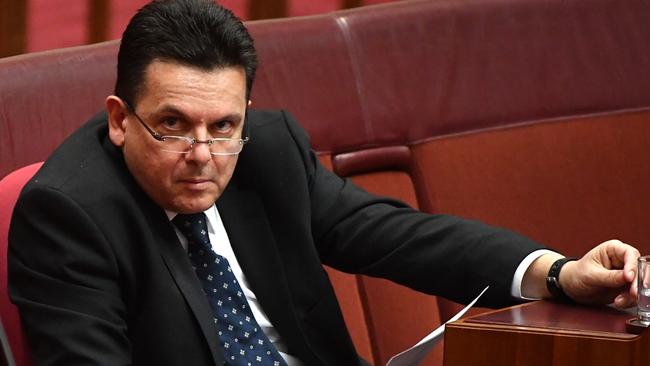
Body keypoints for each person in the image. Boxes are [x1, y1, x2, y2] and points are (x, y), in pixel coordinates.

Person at [8, 0, 639, 365]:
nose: (203, 154)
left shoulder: (268, 149)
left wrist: (558, 273)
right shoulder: (68, 216)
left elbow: (398, 235)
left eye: (224, 126)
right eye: (173, 125)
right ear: (120, 120)